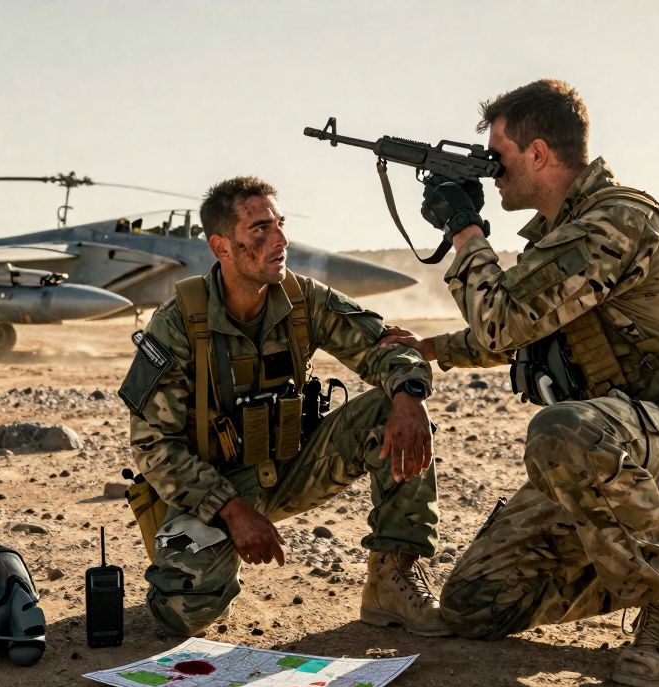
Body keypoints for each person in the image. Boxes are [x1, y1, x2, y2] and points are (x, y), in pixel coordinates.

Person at [380, 79, 659, 687]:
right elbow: (526, 329)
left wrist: (466, 234)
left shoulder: (614, 223)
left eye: (501, 156)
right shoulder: (564, 232)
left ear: (539, 153)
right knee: (474, 605)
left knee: (562, 429)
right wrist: (432, 349)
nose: (493, 171)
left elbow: (504, 318)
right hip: (608, 453)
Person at [119, 176, 446, 637]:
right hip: (214, 485)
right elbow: (153, 446)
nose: (280, 240)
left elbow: (386, 348)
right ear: (222, 247)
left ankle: (391, 583)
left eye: (280, 225)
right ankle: (183, 564)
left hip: (293, 465)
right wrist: (231, 511)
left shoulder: (303, 299)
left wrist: (409, 396)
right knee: (186, 613)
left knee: (390, 412)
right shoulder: (178, 324)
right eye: (260, 229)